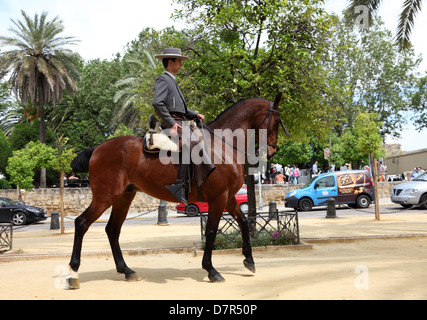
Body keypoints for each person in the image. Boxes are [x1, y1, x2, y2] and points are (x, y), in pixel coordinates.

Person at [152, 48, 215, 204]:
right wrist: (172, 124)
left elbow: (183, 110)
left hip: (181, 121)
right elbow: (157, 103)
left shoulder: (172, 80)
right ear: (170, 62)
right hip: (173, 122)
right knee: (190, 143)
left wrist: (195, 114)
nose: (181, 64)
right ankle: (179, 186)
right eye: (179, 61)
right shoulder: (164, 79)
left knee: (202, 139)